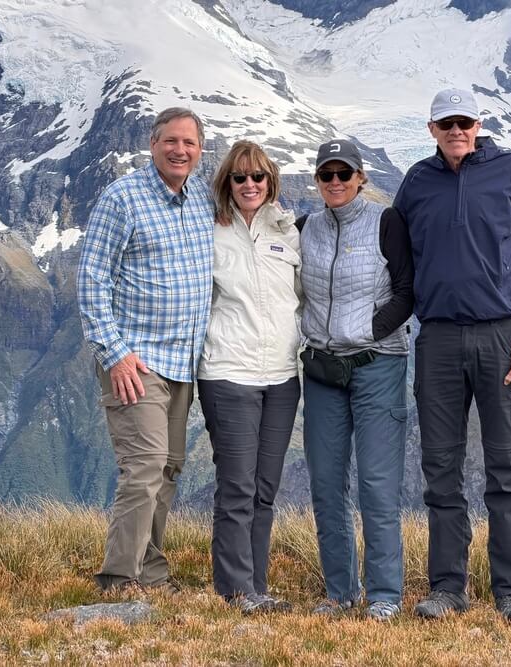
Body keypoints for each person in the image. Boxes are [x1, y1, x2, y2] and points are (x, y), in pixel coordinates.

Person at [394, 87, 511, 624]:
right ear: (431, 129)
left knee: (506, 471)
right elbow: (396, 262)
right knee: (440, 470)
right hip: (438, 339)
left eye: (464, 122)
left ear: (478, 124)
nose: (456, 131)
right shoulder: (416, 182)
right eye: (446, 124)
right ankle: (448, 589)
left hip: (502, 339)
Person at [76, 107, 214, 596]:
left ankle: (151, 573)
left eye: (189, 143)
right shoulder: (122, 198)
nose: (180, 150)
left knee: (168, 468)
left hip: (183, 363)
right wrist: (114, 354)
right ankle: (118, 578)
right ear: (153, 144)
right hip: (136, 361)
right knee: (145, 466)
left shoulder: (201, 196)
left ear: (200, 150)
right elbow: (91, 280)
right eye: (170, 141)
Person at [299, 139, 414, 621]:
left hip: (377, 363)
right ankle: (340, 592)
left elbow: (407, 291)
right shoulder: (305, 228)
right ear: (317, 181)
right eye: (327, 174)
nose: (335, 182)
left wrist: (368, 330)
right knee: (326, 483)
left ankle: (384, 595)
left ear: (360, 178)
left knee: (376, 484)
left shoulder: (386, 222)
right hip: (323, 369)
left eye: (344, 173)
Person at [197, 140, 302, 615]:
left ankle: (256, 588)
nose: (249, 184)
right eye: (239, 177)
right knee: (237, 487)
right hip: (228, 372)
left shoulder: (287, 232)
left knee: (264, 490)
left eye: (258, 176)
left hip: (281, 376)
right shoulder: (208, 231)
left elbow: (303, 297)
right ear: (227, 182)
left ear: (270, 181)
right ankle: (236, 592)